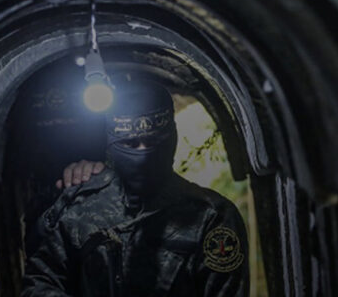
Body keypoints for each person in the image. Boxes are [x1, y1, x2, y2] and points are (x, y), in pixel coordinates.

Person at [21, 81, 249, 296]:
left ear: (171, 138)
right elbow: (41, 281)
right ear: (112, 143)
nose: (143, 153)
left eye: (153, 141)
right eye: (131, 144)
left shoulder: (211, 218)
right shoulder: (79, 206)